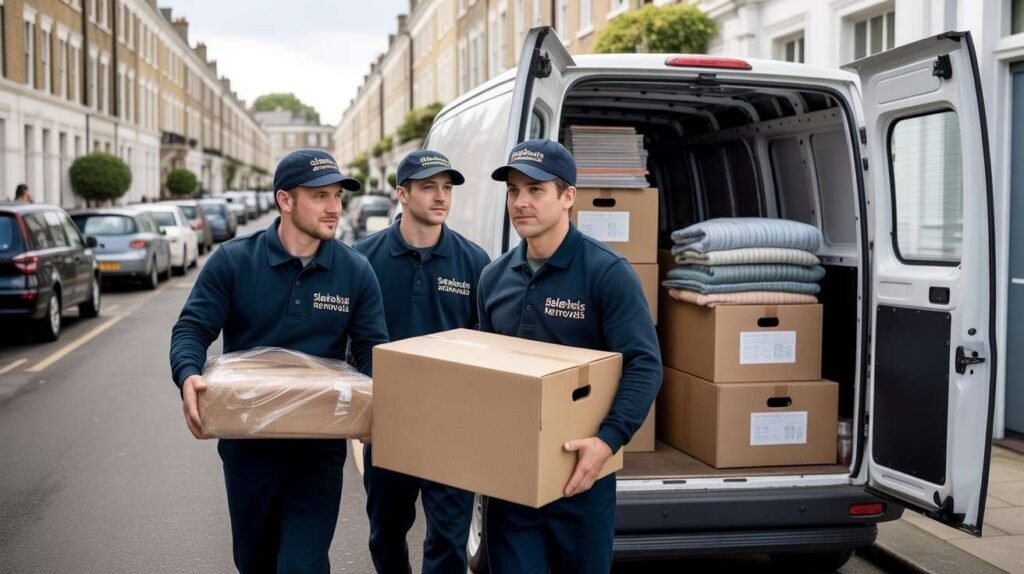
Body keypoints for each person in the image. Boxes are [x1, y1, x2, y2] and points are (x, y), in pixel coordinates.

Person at [169, 149, 389, 574]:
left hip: (319, 448)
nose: (333, 208)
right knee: (254, 561)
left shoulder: (355, 271)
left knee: (303, 565)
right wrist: (188, 375)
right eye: (320, 196)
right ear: (285, 200)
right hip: (247, 445)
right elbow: (192, 329)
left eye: (337, 196)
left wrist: (381, 402)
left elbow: (370, 350)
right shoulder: (233, 261)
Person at [477, 139, 662, 573]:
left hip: (582, 477)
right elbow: (486, 372)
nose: (521, 202)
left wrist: (608, 441)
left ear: (568, 197)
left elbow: (644, 363)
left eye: (535, 190)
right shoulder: (493, 278)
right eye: (513, 190)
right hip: (512, 479)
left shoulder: (606, 273)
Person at [354, 150, 490, 574]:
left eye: (447, 188)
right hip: (388, 425)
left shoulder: (475, 262)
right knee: (386, 533)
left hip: (453, 429)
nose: (441, 197)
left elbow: (487, 349)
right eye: (429, 186)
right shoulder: (361, 260)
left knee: (449, 540)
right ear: (402, 193)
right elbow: (348, 342)